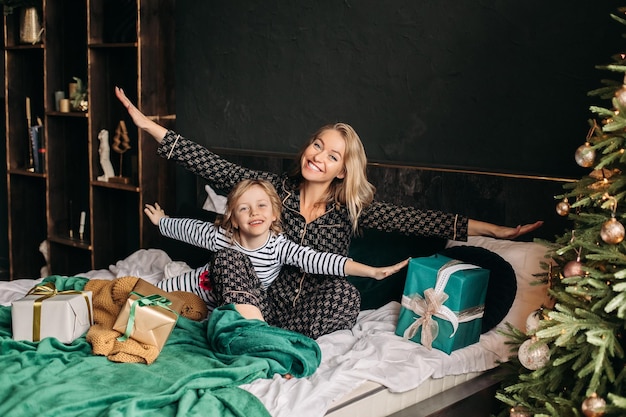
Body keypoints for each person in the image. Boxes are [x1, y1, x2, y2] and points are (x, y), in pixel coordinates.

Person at [115, 86, 543, 339]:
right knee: (230, 256)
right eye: (317, 144)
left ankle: (270, 341)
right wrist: (149, 126)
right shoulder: (273, 190)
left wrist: (498, 231)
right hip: (256, 299)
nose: (318, 156)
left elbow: (425, 220)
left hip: (308, 312)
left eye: (332, 155)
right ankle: (252, 333)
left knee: (346, 296)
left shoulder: (352, 210)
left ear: (342, 171)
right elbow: (215, 166)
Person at [145, 178, 408, 320]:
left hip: (246, 311)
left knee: (345, 295)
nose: (254, 212)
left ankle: (265, 338)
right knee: (143, 299)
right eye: (244, 208)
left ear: (274, 215)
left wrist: (372, 272)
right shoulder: (223, 237)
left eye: (261, 206)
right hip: (193, 289)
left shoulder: (278, 247)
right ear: (234, 219)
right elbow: (189, 230)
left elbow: (321, 259)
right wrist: (162, 222)